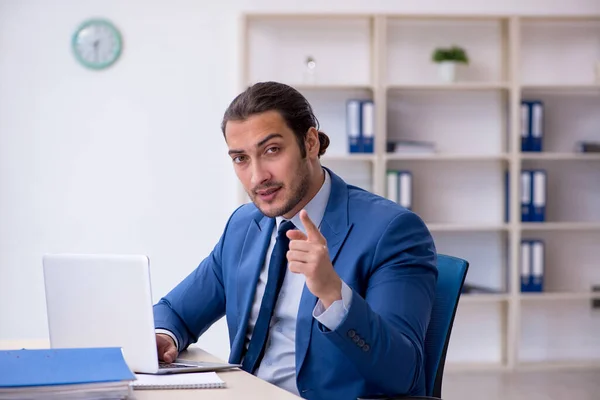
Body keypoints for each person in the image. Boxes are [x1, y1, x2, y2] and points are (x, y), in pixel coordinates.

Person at [153, 81, 438, 400]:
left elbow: (403, 372)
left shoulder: (391, 231)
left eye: (271, 150)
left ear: (311, 143)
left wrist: (333, 294)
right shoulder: (244, 226)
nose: (257, 176)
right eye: (241, 159)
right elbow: (175, 312)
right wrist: (164, 337)